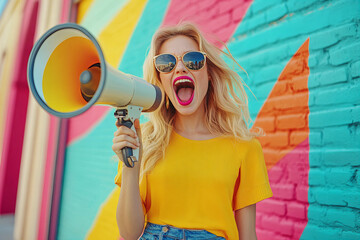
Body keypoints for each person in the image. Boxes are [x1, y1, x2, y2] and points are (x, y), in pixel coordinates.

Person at [112, 22, 273, 240]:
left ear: (208, 73)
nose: (179, 68)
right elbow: (129, 233)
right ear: (160, 80)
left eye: (193, 60)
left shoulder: (244, 147)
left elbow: (248, 235)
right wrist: (132, 166)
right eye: (166, 63)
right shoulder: (144, 140)